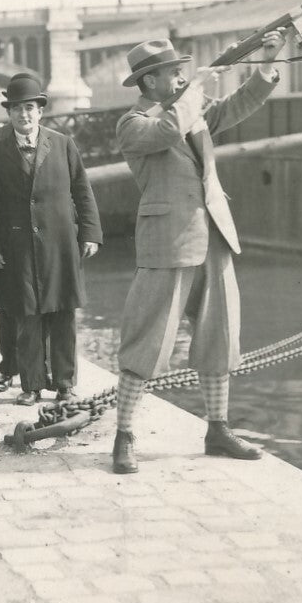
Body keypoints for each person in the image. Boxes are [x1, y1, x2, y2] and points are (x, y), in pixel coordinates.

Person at [109, 37, 283, 475]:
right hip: (168, 242)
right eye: (173, 73)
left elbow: (238, 105)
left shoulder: (190, 108)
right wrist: (198, 88)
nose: (181, 78)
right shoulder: (133, 123)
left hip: (213, 235)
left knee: (219, 336)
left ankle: (217, 430)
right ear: (149, 81)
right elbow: (168, 131)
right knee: (146, 341)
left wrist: (265, 63)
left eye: (182, 72)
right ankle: (124, 436)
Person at [0, 74, 101, 405]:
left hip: (60, 245)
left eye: (29, 108)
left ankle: (65, 383)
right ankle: (31, 385)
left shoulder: (63, 144)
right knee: (26, 316)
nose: (24, 115)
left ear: (40, 111)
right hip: (19, 248)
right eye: (17, 109)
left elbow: (82, 191)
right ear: (9, 113)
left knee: (63, 314)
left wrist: (90, 233)